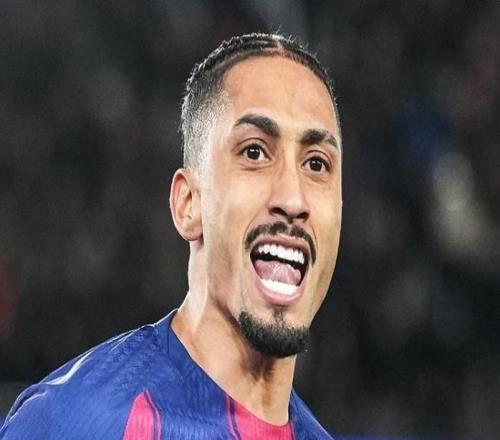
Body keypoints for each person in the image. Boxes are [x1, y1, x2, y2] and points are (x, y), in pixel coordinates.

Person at [0, 33, 342, 439]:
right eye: (254, 152)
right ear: (188, 204)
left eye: (317, 164)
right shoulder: (76, 422)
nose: (292, 198)